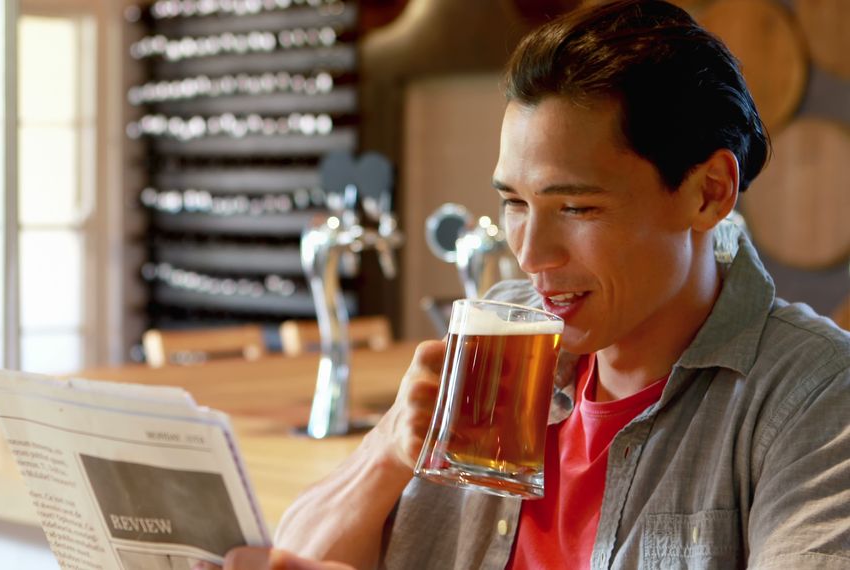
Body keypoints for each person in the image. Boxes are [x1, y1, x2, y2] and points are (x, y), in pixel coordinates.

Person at [213, 1, 850, 568]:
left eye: (576, 208)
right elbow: (297, 555)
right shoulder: (502, 331)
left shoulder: (814, 397)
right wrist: (387, 450)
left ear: (708, 193)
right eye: (516, 203)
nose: (530, 256)